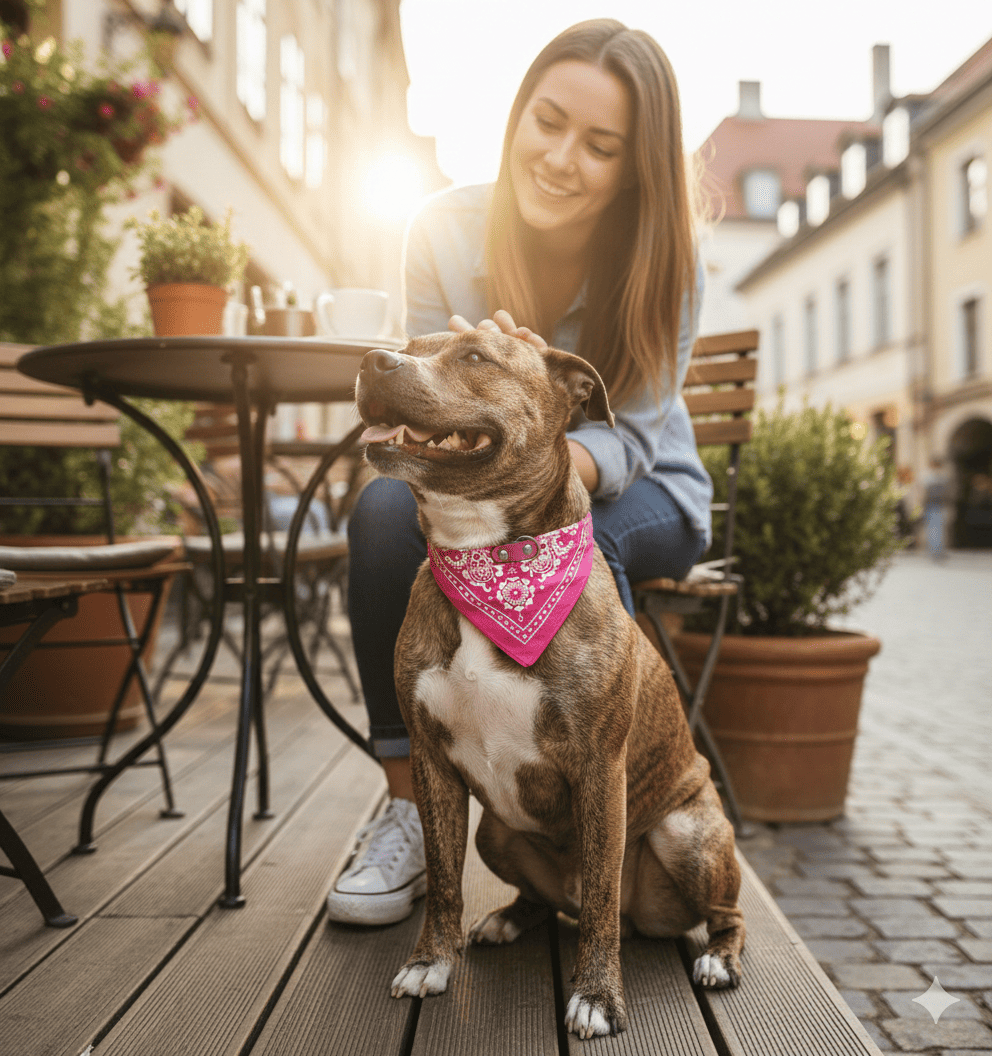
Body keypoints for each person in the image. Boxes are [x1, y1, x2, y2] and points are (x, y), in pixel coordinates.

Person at [325, 18, 713, 926]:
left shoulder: (665, 260)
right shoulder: (443, 228)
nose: (561, 156)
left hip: (646, 489)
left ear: (634, 167)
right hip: (492, 479)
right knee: (383, 515)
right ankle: (412, 812)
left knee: (580, 560)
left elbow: (641, 436)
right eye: (547, 120)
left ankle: (601, 844)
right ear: (517, 115)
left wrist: (545, 462)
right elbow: (418, 405)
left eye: (601, 144)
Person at [921, 456, 952, 560]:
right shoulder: (928, 477)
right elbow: (924, 493)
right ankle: (934, 550)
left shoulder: (942, 477)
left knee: (939, 529)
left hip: (938, 506)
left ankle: (938, 550)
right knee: (933, 529)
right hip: (931, 506)